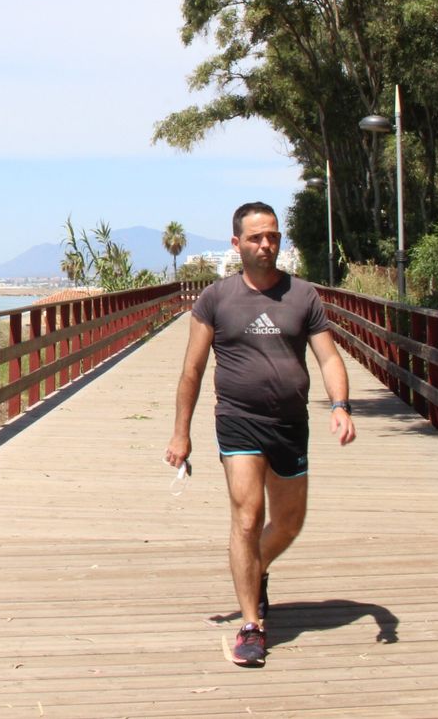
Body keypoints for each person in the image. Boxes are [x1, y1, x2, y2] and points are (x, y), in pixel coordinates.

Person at [164, 201, 356, 667]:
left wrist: (341, 405)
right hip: (238, 419)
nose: (266, 244)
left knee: (288, 522)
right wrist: (180, 434)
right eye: (255, 238)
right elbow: (192, 368)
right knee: (247, 518)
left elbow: (328, 358)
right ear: (237, 244)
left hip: (290, 424)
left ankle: (256, 568)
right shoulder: (216, 298)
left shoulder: (303, 296)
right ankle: (252, 625)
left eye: (272, 236)